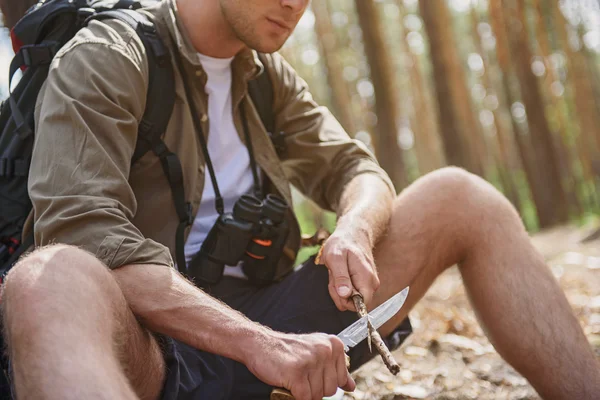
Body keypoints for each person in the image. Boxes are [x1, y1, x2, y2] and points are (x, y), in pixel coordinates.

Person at [1, 0, 599, 399]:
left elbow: (355, 169)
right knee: (45, 280)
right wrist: (257, 343)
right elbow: (84, 233)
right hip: (153, 357)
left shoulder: (264, 73)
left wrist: (356, 229)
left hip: (280, 335)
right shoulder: (108, 55)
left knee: (461, 196)